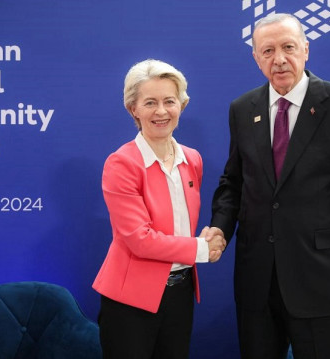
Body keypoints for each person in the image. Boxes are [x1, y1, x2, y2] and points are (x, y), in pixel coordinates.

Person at [206, 13, 330, 359]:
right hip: (257, 281)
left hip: (321, 281)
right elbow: (234, 182)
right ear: (256, 58)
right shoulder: (242, 109)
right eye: (267, 51)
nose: (279, 59)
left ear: (306, 50)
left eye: (288, 47)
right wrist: (219, 229)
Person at [93, 59, 226, 359]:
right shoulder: (122, 163)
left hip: (180, 294)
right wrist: (201, 249)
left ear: (183, 104)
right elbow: (139, 240)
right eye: (150, 102)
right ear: (133, 109)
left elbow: (179, 223)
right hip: (131, 300)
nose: (161, 111)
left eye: (170, 101)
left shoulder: (192, 159)